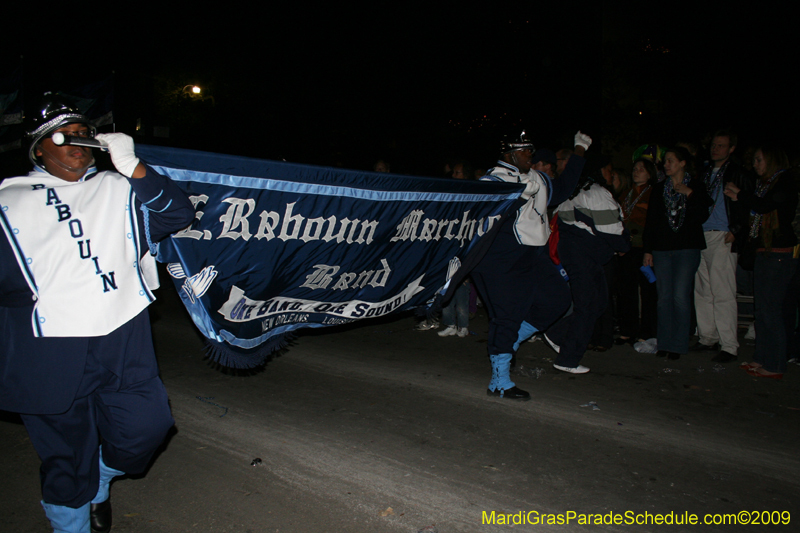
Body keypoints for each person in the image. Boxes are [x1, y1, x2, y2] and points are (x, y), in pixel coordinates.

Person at [0, 94, 195, 533]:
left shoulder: (118, 188)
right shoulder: (8, 199)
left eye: (83, 135)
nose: (76, 143)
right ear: (38, 149)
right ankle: (72, 521)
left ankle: (100, 481)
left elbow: (178, 213)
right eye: (62, 136)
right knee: (66, 458)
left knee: (148, 429)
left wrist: (134, 167)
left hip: (121, 339)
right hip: (47, 349)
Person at [471, 130, 590, 399]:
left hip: (533, 256)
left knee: (557, 299)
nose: (530, 157)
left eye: (530, 151)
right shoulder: (492, 181)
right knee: (506, 316)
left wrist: (579, 149)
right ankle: (499, 381)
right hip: (498, 260)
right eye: (525, 152)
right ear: (509, 154)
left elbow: (563, 188)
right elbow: (487, 216)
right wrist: (519, 195)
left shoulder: (536, 178)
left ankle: (510, 342)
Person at [545, 164, 630, 373]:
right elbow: (611, 230)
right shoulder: (595, 192)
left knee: (598, 302)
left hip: (578, 255)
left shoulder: (574, 192)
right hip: (583, 257)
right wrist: (624, 244)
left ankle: (556, 333)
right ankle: (567, 359)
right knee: (587, 307)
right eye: (609, 170)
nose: (611, 174)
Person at [726, 146, 798, 379]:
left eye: (759, 160)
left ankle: (775, 364)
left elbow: (765, 205)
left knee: (771, 309)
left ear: (772, 159)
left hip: (778, 251)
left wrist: (741, 195)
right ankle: (761, 358)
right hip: (764, 250)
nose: (755, 165)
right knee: (761, 309)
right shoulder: (765, 184)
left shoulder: (785, 180)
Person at [642, 147, 712, 359]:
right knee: (664, 297)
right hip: (662, 249)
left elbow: (702, 215)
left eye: (671, 160)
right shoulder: (659, 188)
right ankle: (664, 343)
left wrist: (689, 194)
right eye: (665, 161)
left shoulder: (696, 186)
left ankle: (678, 345)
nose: (666, 164)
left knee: (680, 296)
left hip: (687, 248)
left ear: (682, 163)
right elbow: (651, 221)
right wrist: (647, 250)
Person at [691, 130, 753, 363]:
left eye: (721, 145)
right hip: (701, 234)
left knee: (723, 291)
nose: (715, 148)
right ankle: (708, 337)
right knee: (703, 290)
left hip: (723, 235)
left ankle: (729, 345)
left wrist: (737, 230)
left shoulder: (738, 173)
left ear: (731, 149)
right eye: (714, 144)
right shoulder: (704, 172)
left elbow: (748, 204)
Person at [615, 158, 658, 345]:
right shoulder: (626, 193)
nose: (636, 171)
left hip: (645, 248)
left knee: (648, 292)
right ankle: (627, 331)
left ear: (650, 173)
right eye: (634, 168)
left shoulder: (653, 193)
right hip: (627, 248)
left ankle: (647, 331)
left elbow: (653, 222)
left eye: (641, 169)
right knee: (626, 291)